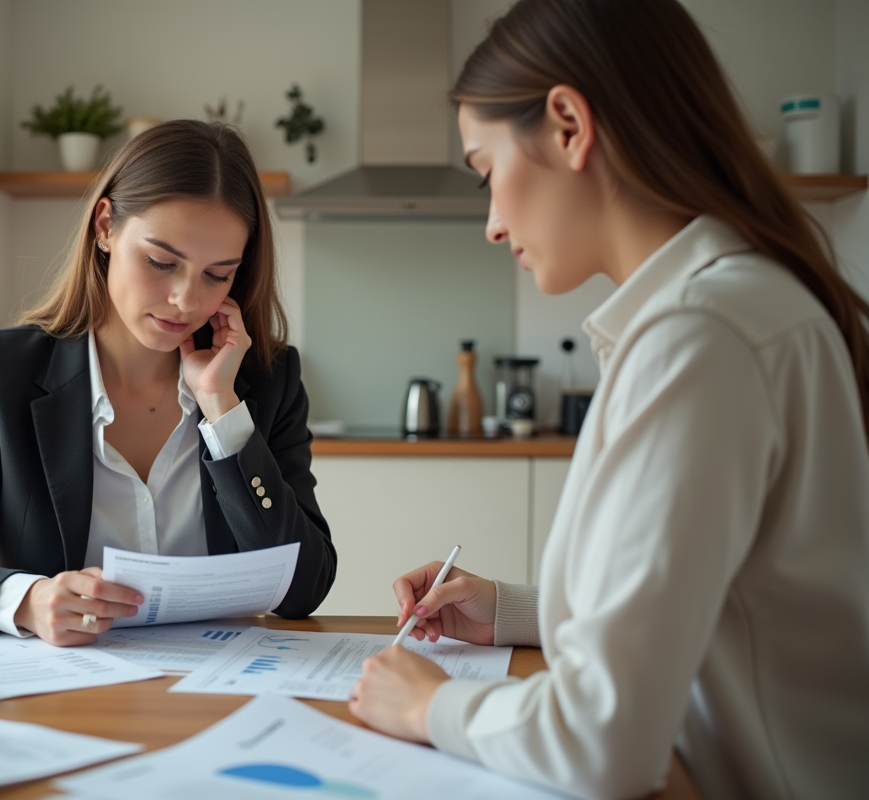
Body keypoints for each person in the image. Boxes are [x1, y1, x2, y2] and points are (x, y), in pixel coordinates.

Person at [348, 0, 869, 797]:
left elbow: (606, 739)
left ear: (567, 124)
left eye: (488, 171)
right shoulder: (718, 311)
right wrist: (511, 611)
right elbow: (711, 600)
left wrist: (435, 705)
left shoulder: (704, 335)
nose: (490, 224)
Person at [0, 120, 336, 646]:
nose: (187, 301)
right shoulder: (0, 370)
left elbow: (305, 588)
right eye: (162, 262)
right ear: (105, 226)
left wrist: (223, 410)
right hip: (61, 698)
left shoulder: (266, 381)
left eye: (218, 275)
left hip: (221, 692)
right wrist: (27, 600)